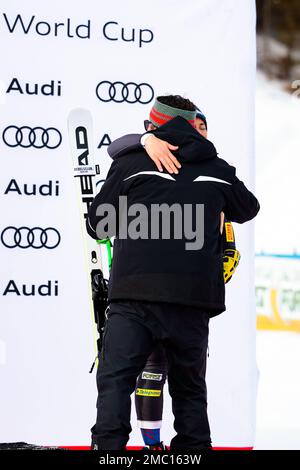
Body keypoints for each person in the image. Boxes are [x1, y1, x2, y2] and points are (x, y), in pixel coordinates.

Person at [86, 95, 260, 451]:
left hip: (135, 295)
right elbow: (248, 208)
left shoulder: (131, 162)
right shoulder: (217, 168)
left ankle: (108, 452)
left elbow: (98, 226)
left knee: (116, 381)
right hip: (193, 301)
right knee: (190, 391)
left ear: (153, 125)